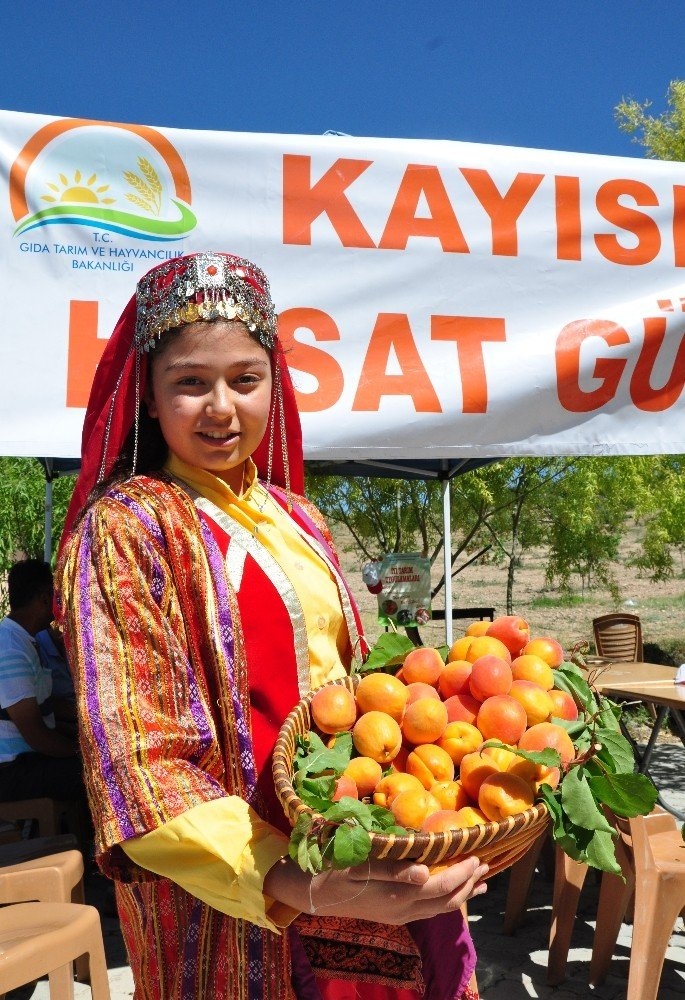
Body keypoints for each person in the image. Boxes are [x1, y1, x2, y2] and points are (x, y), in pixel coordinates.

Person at [56, 252, 487, 1000]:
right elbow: (137, 759)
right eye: (190, 382)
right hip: (237, 895)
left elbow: (350, 696)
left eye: (244, 380)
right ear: (150, 399)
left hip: (362, 850)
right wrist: (300, 886)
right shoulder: (127, 529)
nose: (220, 407)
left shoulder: (299, 518)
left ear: (273, 388)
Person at [0, 558, 85, 805]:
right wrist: (78, 751)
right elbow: (36, 735)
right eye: (57, 596)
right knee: (94, 775)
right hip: (12, 770)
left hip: (27, 760)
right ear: (45, 598)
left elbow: (46, 704)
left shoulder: (24, 641)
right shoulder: (11, 648)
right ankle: (85, 842)